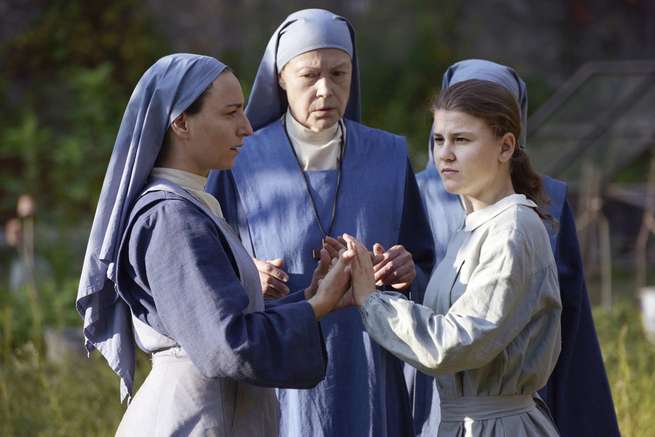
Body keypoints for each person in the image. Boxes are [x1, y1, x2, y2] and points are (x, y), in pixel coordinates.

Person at [75, 53, 354, 436]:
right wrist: (317, 306)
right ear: (181, 122)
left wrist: (311, 296)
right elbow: (227, 344)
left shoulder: (191, 206)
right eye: (230, 113)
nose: (247, 128)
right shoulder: (170, 217)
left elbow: (229, 321)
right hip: (194, 421)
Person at [205, 8, 434, 437]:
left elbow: (423, 261)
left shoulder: (388, 156)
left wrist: (408, 272)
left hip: (368, 364)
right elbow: (205, 261)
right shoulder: (239, 158)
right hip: (278, 367)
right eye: (309, 76)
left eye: (339, 74)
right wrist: (244, 273)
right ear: (281, 78)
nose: (326, 90)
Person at [413, 59, 620, 437]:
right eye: (444, 135)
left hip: (509, 388)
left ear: (507, 136)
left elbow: (568, 308)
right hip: (435, 375)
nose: (448, 150)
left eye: (465, 134)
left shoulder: (541, 204)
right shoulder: (419, 191)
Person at [347, 78, 563, 436]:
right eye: (438, 139)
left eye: (461, 140)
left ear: (506, 146)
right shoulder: (474, 228)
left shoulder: (513, 228)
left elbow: (456, 342)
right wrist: (395, 286)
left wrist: (371, 301)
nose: (444, 153)